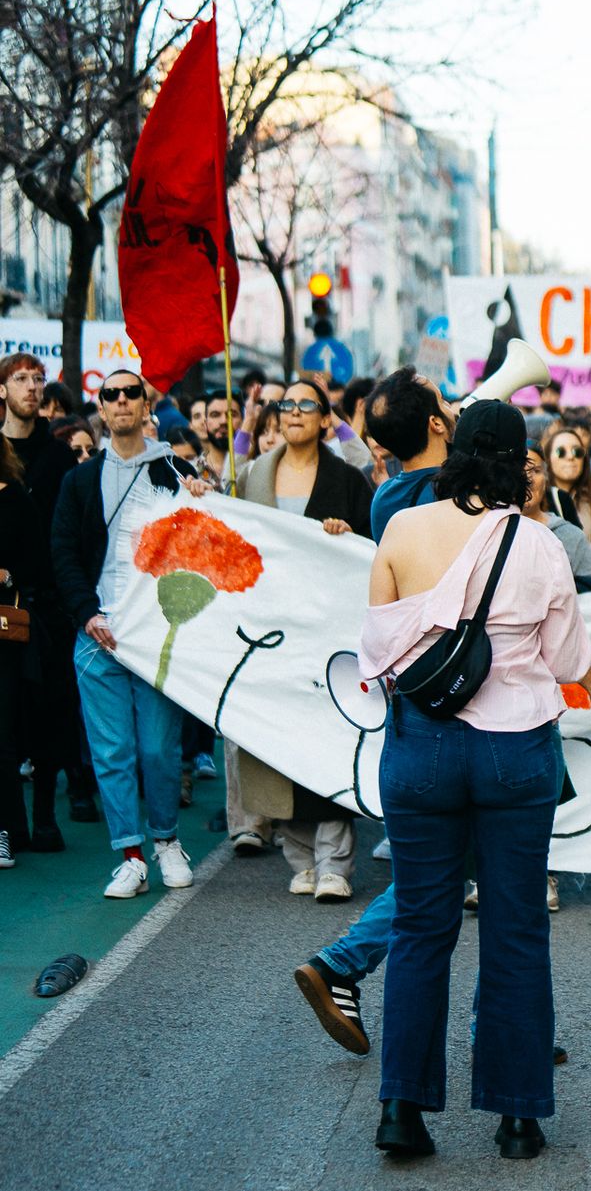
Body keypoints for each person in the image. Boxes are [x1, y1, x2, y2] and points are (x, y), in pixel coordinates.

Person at [357, 399, 591, 1160]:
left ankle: (402, 1110)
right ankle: (517, 1116)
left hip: (423, 750)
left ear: (456, 450)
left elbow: (376, 646)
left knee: (419, 929)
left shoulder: (402, 530)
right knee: (515, 928)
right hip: (514, 754)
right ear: (515, 461)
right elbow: (566, 663)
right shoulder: (537, 545)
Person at [48, 369, 211, 898]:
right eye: (110, 394)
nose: (120, 401)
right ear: (101, 406)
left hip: (155, 633)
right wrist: (86, 614)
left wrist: (202, 498)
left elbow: (205, 546)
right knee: (111, 751)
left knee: (160, 750)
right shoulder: (79, 480)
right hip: (98, 634)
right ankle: (132, 854)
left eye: (130, 393)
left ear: (147, 405)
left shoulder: (173, 470)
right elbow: (64, 552)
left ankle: (167, 841)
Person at [229, 375, 374, 896]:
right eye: (284, 405)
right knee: (278, 740)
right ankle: (301, 857)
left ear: (323, 418)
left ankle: (336, 861)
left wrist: (347, 536)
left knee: (330, 737)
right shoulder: (250, 477)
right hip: (270, 631)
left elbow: (370, 549)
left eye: (305, 405)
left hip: (328, 630)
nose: (292, 413)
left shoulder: (349, 479)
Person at [3, 354, 94, 836]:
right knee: (8, 711)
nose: (33, 387)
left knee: (53, 707)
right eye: (21, 379)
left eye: (39, 379)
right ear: (3, 391)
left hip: (51, 602)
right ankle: (15, 820)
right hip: (5, 605)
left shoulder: (59, 457)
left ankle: (46, 813)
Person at [0, 437, 50, 865]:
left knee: (2, 734)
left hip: (4, 632)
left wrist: (8, 573)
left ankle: (6, 830)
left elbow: (38, 562)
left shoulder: (15, 499)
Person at [364, 368, 454, 541]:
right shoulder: (453, 492)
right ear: (436, 423)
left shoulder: (383, 497)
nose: (450, 407)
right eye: (443, 401)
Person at [541, 425, 591, 568]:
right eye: (561, 452)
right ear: (548, 459)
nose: (571, 457)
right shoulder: (539, 502)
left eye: (577, 452)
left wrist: (567, 551)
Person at [523, 449, 591, 587]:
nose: (528, 479)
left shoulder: (570, 536)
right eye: (518, 471)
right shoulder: (494, 531)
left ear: (546, 478)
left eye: (535, 470)